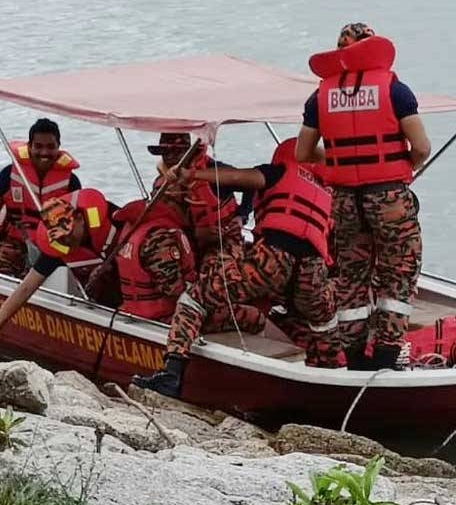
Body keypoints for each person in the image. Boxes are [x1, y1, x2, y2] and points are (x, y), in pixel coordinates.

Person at [132, 138, 339, 398]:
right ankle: (335, 374)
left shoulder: (278, 171)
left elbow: (238, 176)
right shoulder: (323, 189)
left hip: (274, 260)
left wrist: (193, 175)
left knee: (194, 298)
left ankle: (172, 375)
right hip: (313, 269)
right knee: (321, 321)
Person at [295, 23, 431, 370]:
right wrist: (401, 168)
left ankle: (354, 355)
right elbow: (422, 147)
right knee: (398, 268)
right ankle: (386, 352)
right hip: (388, 197)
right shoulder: (395, 91)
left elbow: (303, 153)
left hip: (344, 199)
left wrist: (342, 160)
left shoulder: (320, 96)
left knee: (351, 274)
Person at [0, 188, 119, 347]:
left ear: (80, 218)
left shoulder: (112, 218)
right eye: (61, 239)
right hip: (105, 295)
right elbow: (26, 287)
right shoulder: (58, 250)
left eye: (69, 234)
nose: (68, 242)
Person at [147, 133, 265, 335]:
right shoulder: (162, 184)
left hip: (223, 241)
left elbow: (251, 185)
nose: (169, 157)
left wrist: (241, 217)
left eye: (175, 152)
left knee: (215, 281)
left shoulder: (214, 173)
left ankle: (218, 315)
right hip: (189, 243)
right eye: (164, 152)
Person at [0, 118, 81, 277]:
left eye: (50, 147)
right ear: (29, 146)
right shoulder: (8, 175)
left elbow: (77, 227)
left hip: (52, 244)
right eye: (38, 146)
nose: (44, 153)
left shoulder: (71, 182)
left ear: (58, 147)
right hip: (15, 241)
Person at [114, 198, 197, 321]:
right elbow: (172, 288)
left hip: (134, 310)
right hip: (164, 317)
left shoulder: (135, 225)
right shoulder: (159, 238)